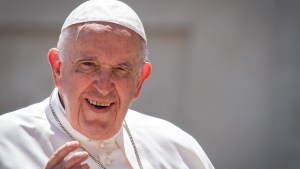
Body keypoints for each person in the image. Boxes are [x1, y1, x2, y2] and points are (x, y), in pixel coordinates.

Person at [0, 0, 214, 169]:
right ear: (57, 68)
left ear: (139, 80)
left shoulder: (179, 149)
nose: (103, 86)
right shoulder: (5, 143)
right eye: (88, 65)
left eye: (121, 70)